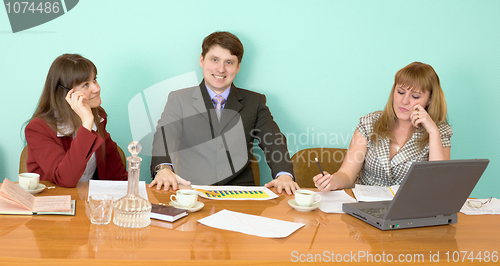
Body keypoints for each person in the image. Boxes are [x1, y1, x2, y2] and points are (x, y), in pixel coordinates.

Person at [150, 31, 299, 194]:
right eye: (214, 60)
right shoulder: (179, 99)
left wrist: (284, 175)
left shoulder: (254, 102)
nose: (221, 69)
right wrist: (163, 168)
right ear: (202, 60)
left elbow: (273, 140)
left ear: (238, 66)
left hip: (239, 195)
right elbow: (165, 135)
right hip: (190, 191)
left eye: (229, 62)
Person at [314, 62, 452, 191]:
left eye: (415, 96)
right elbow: (347, 175)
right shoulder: (370, 123)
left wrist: (433, 132)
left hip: (410, 211)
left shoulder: (439, 131)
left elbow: (437, 185)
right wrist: (332, 181)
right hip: (365, 207)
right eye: (401, 92)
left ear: (429, 100)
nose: (404, 101)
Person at [25, 54, 127, 188]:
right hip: (54, 204)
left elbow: (117, 173)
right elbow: (65, 179)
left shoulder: (97, 116)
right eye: (86, 85)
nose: (97, 88)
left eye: (94, 80)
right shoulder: (38, 128)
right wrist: (87, 123)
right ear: (67, 94)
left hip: (87, 203)